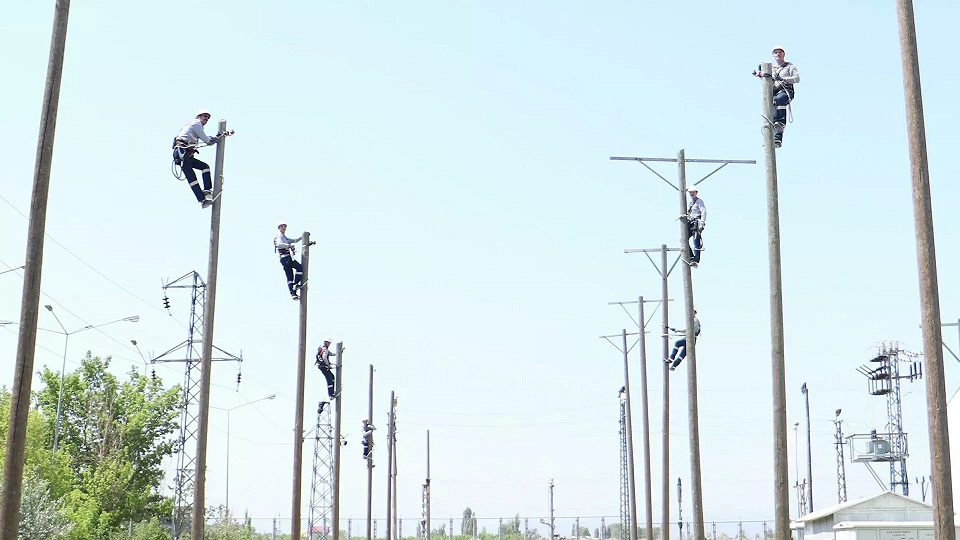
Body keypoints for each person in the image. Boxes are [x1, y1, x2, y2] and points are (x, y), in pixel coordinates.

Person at [172, 109, 231, 207]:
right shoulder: (196, 124)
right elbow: (207, 140)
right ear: (198, 116)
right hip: (182, 152)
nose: (206, 119)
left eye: (208, 118)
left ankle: (206, 193)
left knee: (204, 167)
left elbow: (206, 138)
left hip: (185, 153)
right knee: (192, 177)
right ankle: (202, 199)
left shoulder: (194, 126)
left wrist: (214, 138)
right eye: (204, 116)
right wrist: (214, 139)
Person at [754, 45, 800, 148]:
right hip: (774, 93)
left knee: (780, 100)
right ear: (773, 55)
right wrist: (760, 73)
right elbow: (764, 74)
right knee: (771, 111)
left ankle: (780, 122)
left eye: (780, 52)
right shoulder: (771, 68)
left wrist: (786, 79)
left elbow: (797, 78)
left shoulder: (789, 66)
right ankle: (775, 139)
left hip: (785, 90)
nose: (778, 54)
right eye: (776, 52)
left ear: (783, 54)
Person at [274, 221, 305, 300]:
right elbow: (279, 244)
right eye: (282, 226)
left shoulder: (285, 238)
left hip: (285, 259)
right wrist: (288, 246)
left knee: (290, 276)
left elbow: (294, 240)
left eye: (284, 226)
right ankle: (295, 284)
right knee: (299, 268)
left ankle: (293, 294)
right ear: (279, 228)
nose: (283, 227)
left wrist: (303, 237)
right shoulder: (279, 236)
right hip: (286, 258)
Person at [683, 187, 706, 266]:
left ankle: (696, 259)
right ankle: (691, 256)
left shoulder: (699, 201)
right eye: (690, 192)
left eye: (693, 192)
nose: (691, 194)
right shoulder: (691, 203)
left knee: (696, 241)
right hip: (690, 222)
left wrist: (702, 223)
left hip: (696, 222)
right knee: (683, 239)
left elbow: (703, 212)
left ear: (696, 192)